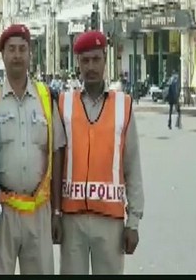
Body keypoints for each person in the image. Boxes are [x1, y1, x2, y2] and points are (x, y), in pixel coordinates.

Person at [57, 31, 144, 275]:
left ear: (105, 61)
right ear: (78, 64)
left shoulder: (122, 105)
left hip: (110, 222)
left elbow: (132, 166)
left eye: (96, 60)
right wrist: (54, 214)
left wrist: (133, 222)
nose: (91, 67)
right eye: (85, 61)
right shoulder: (64, 103)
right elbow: (55, 162)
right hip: (72, 220)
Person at [0, 24, 66, 275]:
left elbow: (57, 151)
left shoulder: (45, 97)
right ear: (3, 56)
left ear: (30, 54)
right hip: (3, 214)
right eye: (12, 49)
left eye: (22, 49)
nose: (17, 55)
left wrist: (56, 210)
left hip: (38, 211)